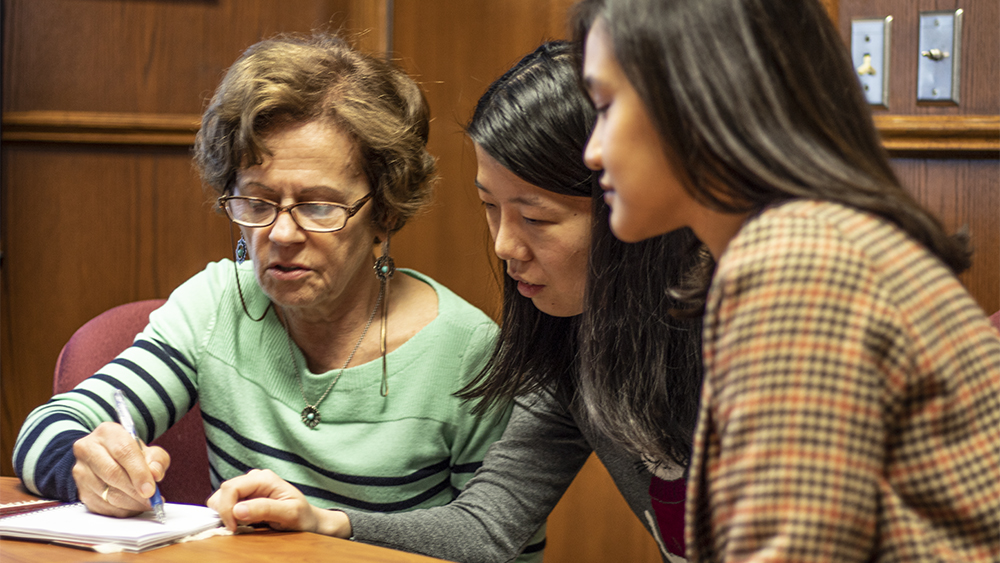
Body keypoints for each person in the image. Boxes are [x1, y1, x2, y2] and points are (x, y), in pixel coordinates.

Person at [207, 41, 704, 563]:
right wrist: (326, 522)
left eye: (536, 218)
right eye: (490, 206)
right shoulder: (568, 345)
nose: (504, 246)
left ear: (632, 203)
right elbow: (486, 530)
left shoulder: (745, 331)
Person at [13, 31, 510, 534]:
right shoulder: (216, 304)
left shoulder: (468, 355)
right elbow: (44, 433)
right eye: (257, 202)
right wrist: (91, 470)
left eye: (319, 206)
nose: (281, 233)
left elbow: (495, 544)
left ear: (384, 211)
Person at [573, 0, 1000, 561]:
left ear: (702, 94)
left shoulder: (796, 261)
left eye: (605, 106)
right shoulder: (812, 240)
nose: (592, 151)